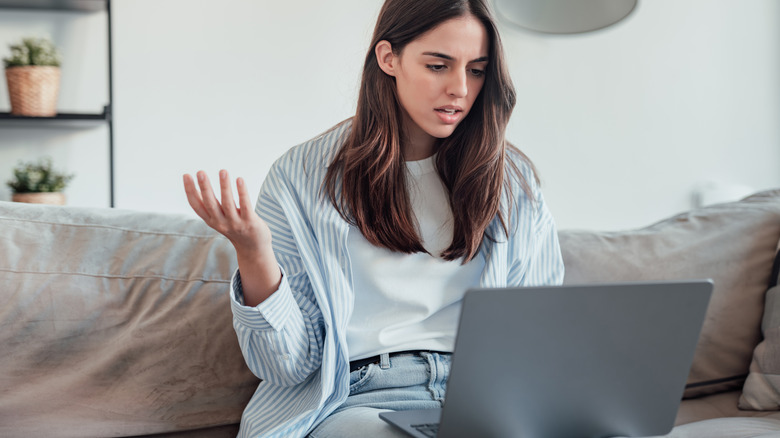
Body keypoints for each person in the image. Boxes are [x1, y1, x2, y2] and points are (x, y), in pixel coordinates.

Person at [183, 0, 564, 436]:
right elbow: (286, 367)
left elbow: (537, 339)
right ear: (389, 58)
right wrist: (254, 253)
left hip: (484, 397)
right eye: (438, 66)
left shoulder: (512, 182)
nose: (460, 88)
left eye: (476, 70)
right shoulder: (302, 176)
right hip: (361, 398)